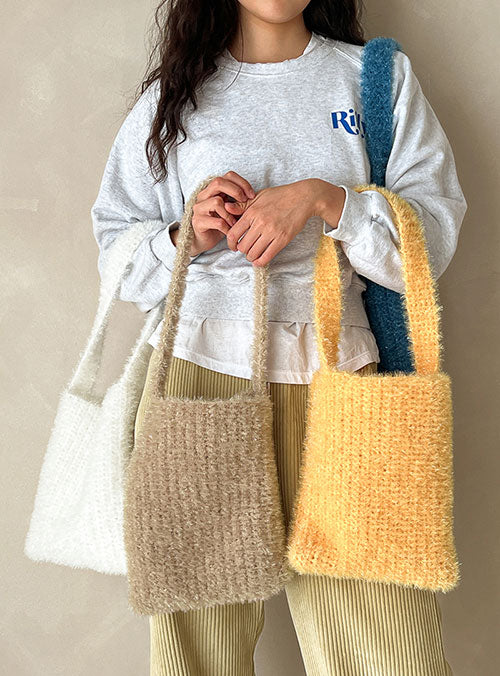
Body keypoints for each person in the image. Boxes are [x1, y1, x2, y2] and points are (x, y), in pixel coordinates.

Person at [91, 1, 467, 674]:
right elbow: (116, 250)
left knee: (393, 651)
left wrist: (329, 200)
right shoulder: (176, 95)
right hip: (199, 378)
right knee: (196, 654)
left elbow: (429, 240)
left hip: (344, 386)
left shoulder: (374, 80)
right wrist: (185, 235)